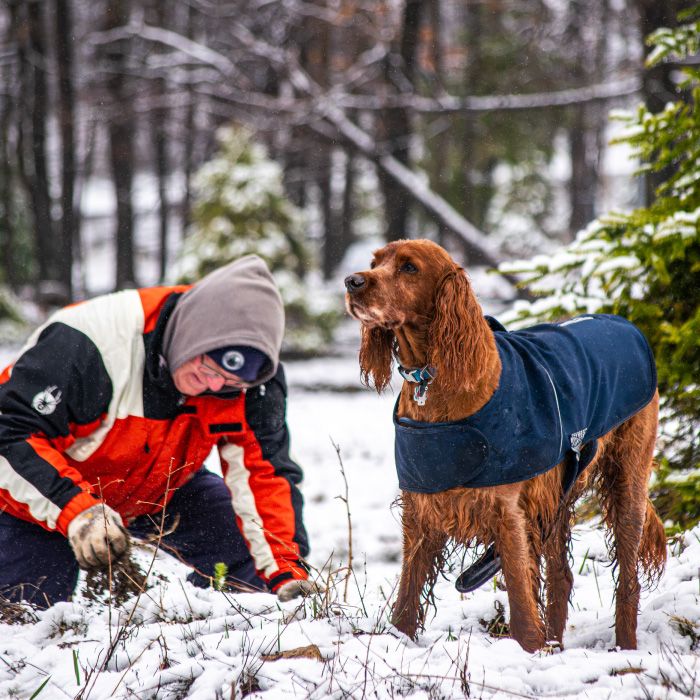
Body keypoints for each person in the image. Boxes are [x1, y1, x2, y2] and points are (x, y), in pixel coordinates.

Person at [0, 255, 313, 608]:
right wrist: (79, 511)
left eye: (229, 382)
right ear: (192, 333)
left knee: (250, 557)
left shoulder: (255, 382)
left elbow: (265, 473)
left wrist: (287, 573)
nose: (213, 385)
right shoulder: (89, 342)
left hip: (161, 485)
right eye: (207, 367)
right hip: (40, 497)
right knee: (29, 616)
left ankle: (221, 622)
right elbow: (9, 434)